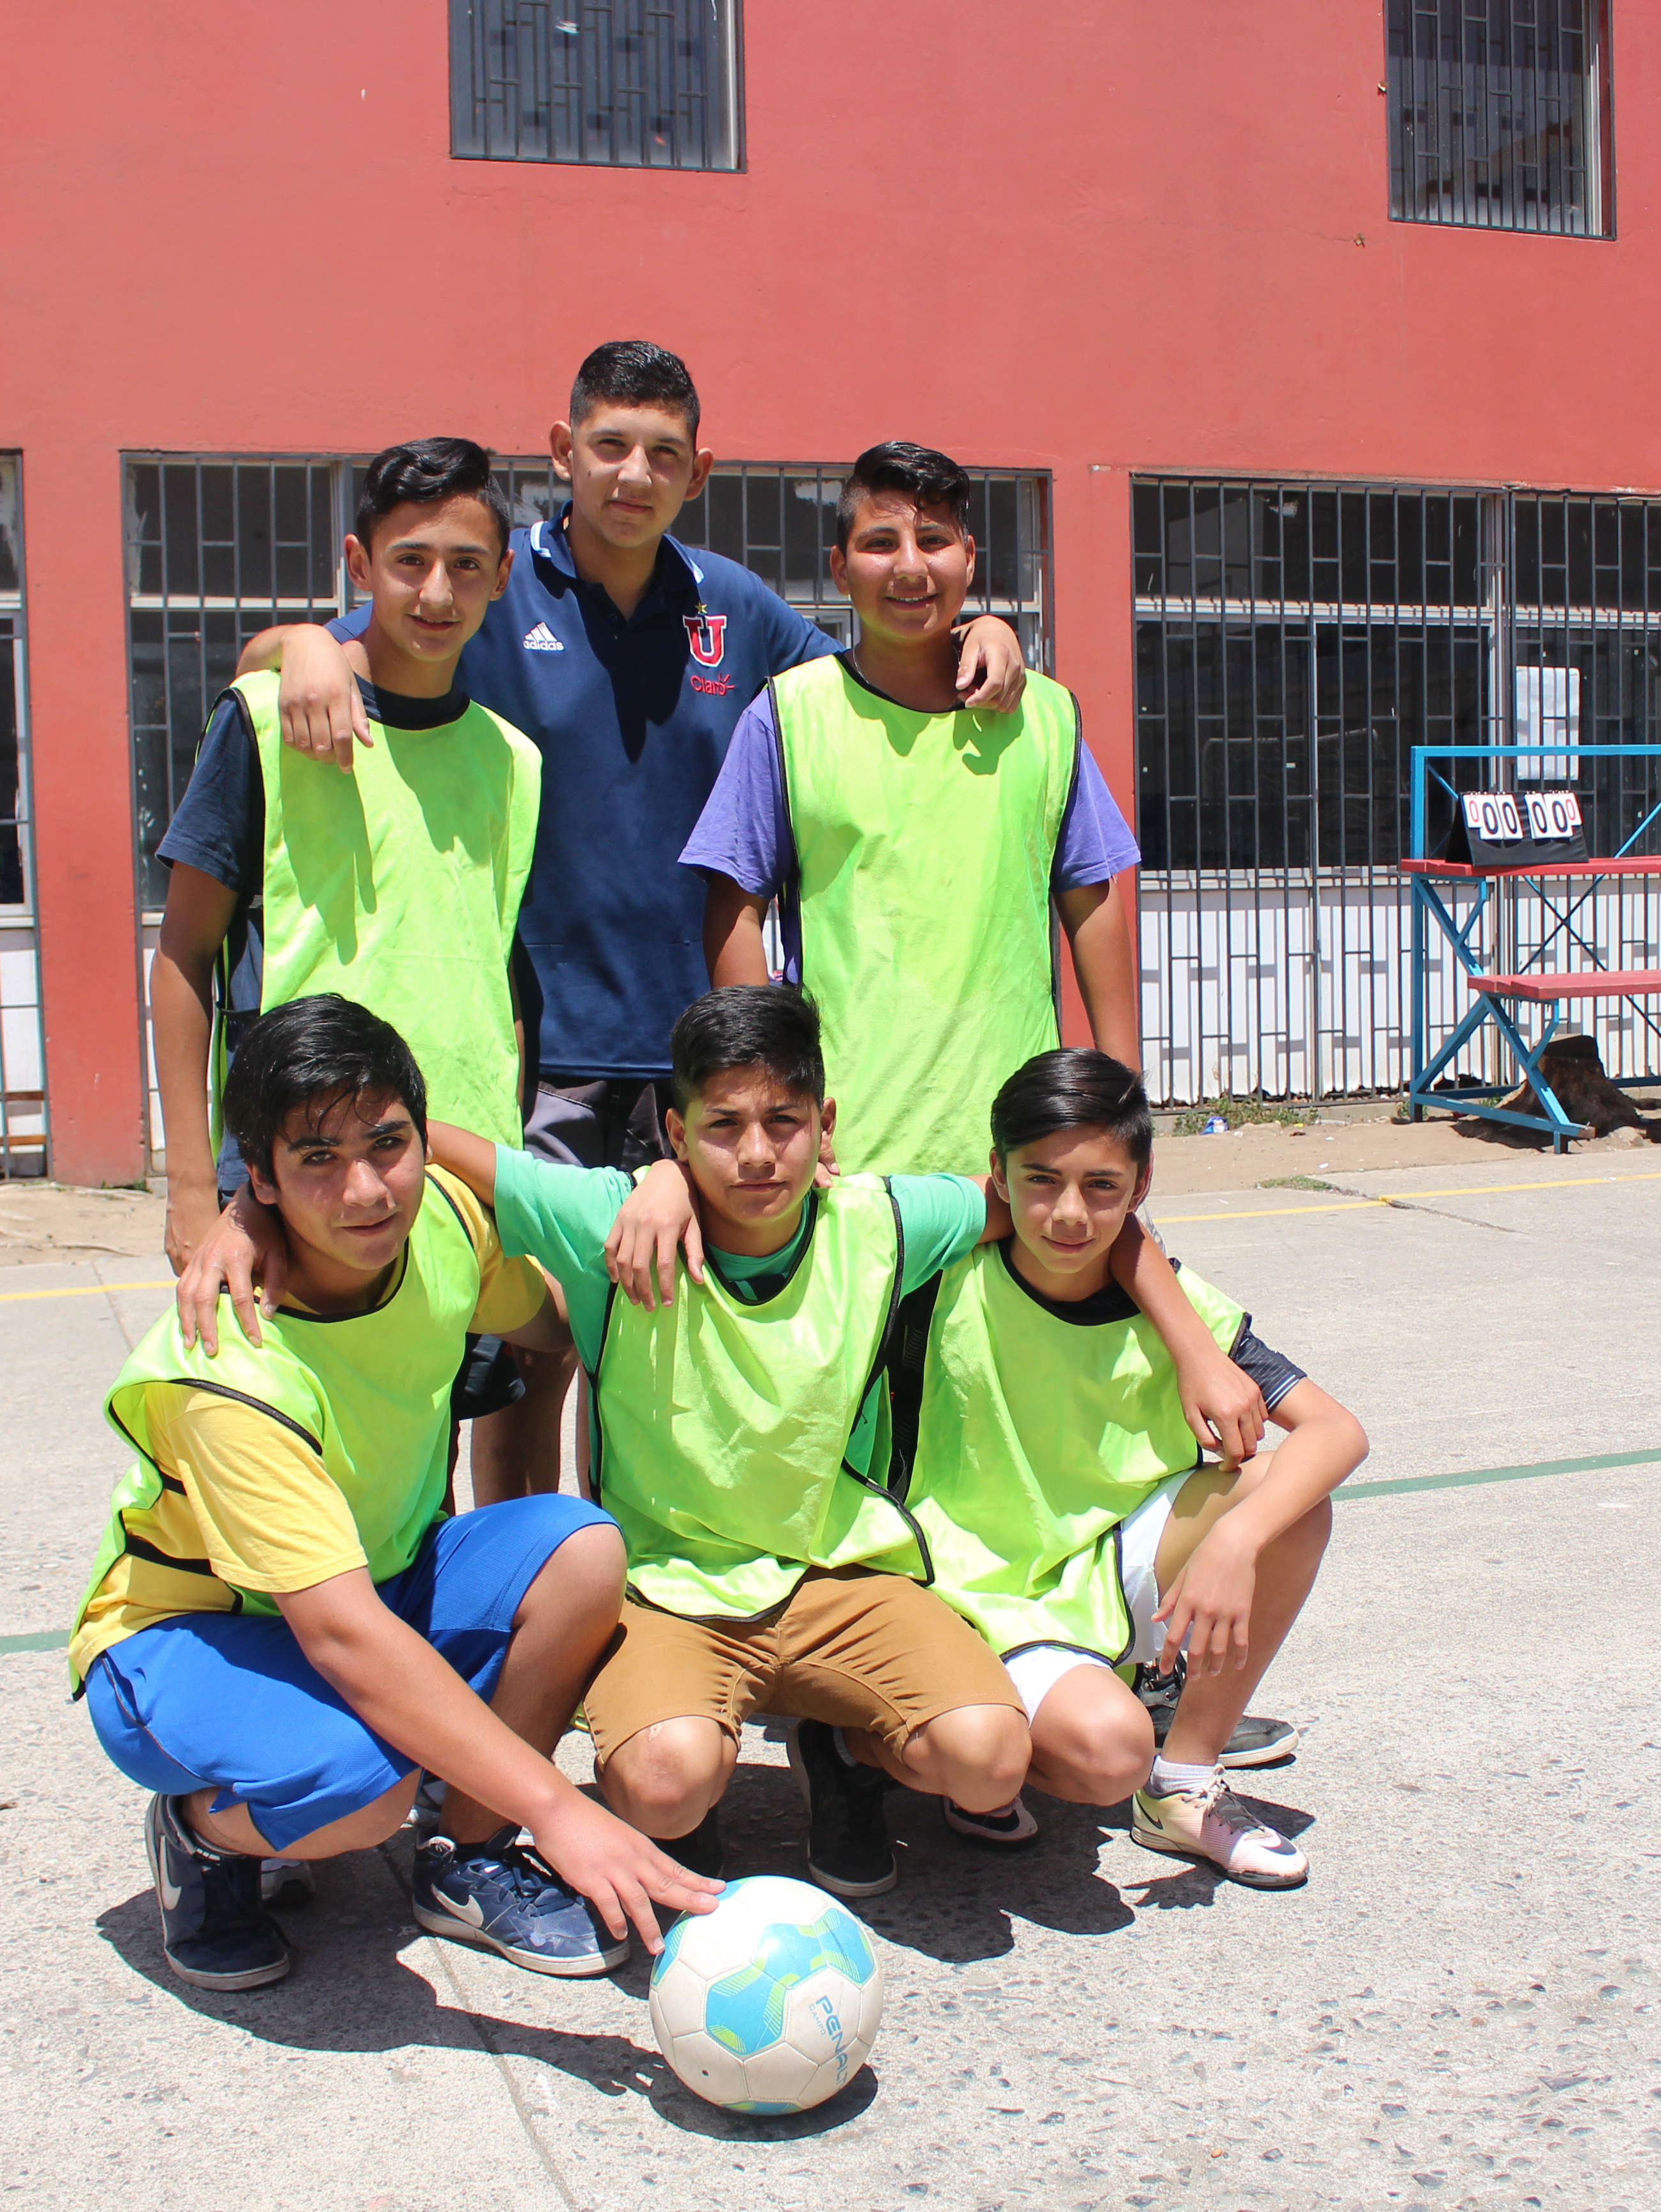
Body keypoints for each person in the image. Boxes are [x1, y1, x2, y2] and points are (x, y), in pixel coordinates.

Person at [179, 984, 1271, 1900]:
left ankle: (845, 1749)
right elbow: (435, 1153)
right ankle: (662, 1786)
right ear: (673, 1133)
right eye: (719, 1128)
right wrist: (248, 1208)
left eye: (782, 1123)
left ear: (825, 1125)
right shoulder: (607, 1213)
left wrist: (1190, 1343)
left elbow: (1067, 1206)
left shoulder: (886, 1220)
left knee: (990, 1760)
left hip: (839, 1572)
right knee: (664, 1783)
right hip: (669, 1585)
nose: (755, 1153)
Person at [232, 344, 1032, 1498]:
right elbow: (325, 658)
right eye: (607, 444)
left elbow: (874, 677)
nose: (631, 473)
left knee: (662, 1320)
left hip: (696, 1055)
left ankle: (641, 1574)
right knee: (526, 1338)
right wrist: (300, 640)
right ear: (564, 451)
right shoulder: (498, 586)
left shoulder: (734, 607)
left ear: (697, 470)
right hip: (545, 1048)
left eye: (662, 452)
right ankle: (515, 1566)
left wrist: (983, 627)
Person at [71, 995, 715, 1994]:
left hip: (383, 1582)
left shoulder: (447, 1229)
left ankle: (464, 1854)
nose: (367, 1190)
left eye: (388, 1143)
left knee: (580, 1549)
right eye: (317, 1159)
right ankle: (202, 1834)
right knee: (363, 1788)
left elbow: (551, 1319)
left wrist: (670, 1196)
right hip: (193, 1637)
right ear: (263, 1174)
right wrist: (561, 1807)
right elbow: (341, 1640)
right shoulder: (232, 1371)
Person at [150, 437, 545, 1500]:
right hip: (306, 1176)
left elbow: (486, 978)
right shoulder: (271, 723)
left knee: (426, 1471)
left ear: (503, 579)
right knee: (297, 1472)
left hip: (455, 1181)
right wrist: (195, 1191)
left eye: (467, 566)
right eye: (409, 561)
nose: (436, 590)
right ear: (357, 563)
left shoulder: (513, 762)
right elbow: (183, 955)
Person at [899, 1049, 1363, 1888]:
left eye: (1102, 1187)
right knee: (1105, 1756)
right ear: (997, 1177)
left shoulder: (1177, 1303)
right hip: (977, 1583)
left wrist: (1235, 1543)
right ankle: (963, 1743)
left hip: (1106, 1561)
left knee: (1292, 1503)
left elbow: (1337, 1433)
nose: (1070, 1212)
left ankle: (1183, 1782)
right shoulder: (942, 1277)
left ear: (1141, 1188)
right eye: (1041, 1180)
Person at [682, 439, 1140, 1179]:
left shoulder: (1046, 716)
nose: (909, 567)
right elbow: (734, 913)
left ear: (968, 554)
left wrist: (1124, 1098)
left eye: (932, 541)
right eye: (879, 543)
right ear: (840, 566)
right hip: (852, 1148)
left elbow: (1091, 899)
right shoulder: (789, 717)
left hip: (1019, 1150)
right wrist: (774, 1101)